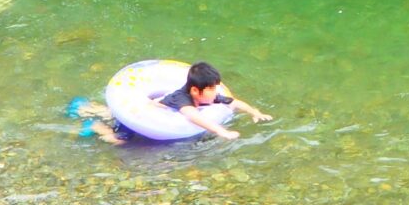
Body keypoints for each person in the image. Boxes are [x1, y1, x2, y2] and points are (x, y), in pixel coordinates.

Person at [74, 61, 271, 145]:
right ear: (195, 91)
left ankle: (91, 108)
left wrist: (255, 112)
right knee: (120, 141)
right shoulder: (182, 99)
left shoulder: (209, 96)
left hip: (151, 110)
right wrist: (222, 131)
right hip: (141, 116)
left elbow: (235, 102)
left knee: (112, 114)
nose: (215, 94)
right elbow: (192, 116)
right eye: (211, 90)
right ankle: (96, 126)